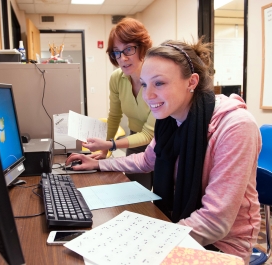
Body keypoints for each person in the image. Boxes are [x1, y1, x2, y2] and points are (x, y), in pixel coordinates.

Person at [66, 37, 261, 264]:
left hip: (223, 245)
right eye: (145, 84)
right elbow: (147, 160)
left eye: (159, 83)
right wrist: (98, 163)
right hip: (178, 223)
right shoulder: (170, 121)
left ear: (192, 82)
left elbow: (215, 222)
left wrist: (149, 243)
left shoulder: (235, 126)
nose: (148, 96)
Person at [82, 18, 155, 190]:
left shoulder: (155, 79)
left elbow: (149, 135)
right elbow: (114, 116)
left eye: (128, 49)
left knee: (163, 204)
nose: (122, 58)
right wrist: (104, 149)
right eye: (116, 52)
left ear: (142, 47)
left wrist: (110, 144)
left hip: (163, 143)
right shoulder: (117, 78)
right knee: (135, 195)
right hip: (134, 141)